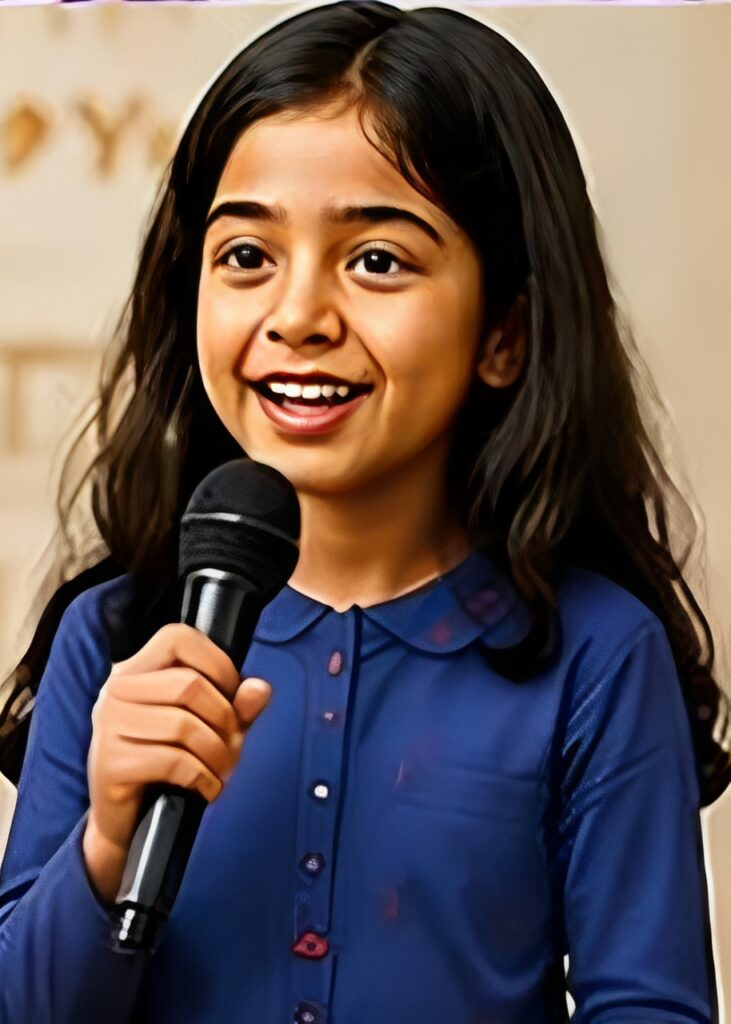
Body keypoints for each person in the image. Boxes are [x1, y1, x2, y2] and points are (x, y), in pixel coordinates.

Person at [0, 2, 727, 1021]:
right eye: (246, 256)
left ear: (504, 333)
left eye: (376, 260)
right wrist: (107, 842)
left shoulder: (597, 658)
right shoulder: (118, 635)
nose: (298, 316)